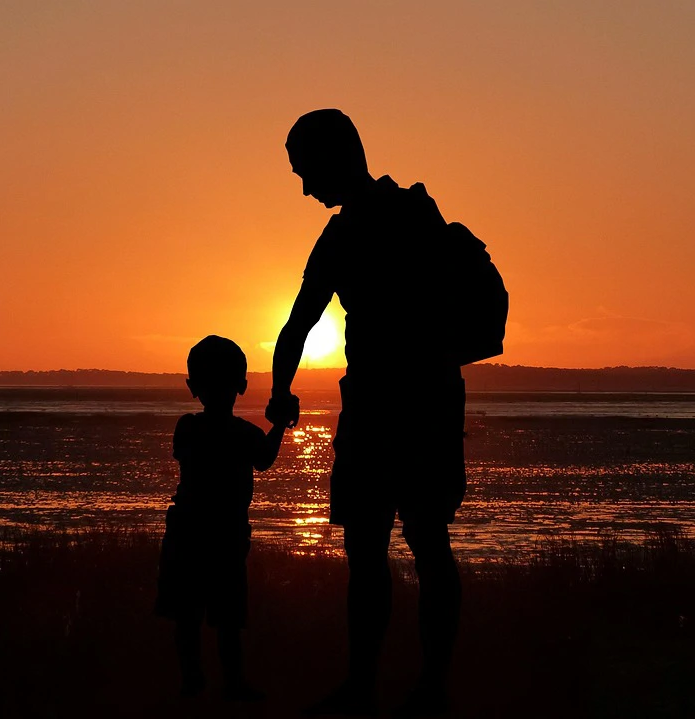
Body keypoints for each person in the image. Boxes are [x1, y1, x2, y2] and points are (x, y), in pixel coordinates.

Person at [268, 109, 466, 715]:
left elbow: (298, 324)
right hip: (431, 399)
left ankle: (369, 687)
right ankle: (422, 686)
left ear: (336, 158)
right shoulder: (418, 213)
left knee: (375, 548)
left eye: (305, 172)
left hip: (384, 409)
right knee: (424, 544)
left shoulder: (347, 233)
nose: (304, 188)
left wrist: (280, 396)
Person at [155, 335, 289, 701]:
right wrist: (279, 426)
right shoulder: (242, 433)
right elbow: (263, 459)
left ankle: (194, 682)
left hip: (189, 533)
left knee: (189, 616)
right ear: (242, 386)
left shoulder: (187, 427)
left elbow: (184, 453)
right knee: (227, 619)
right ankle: (231, 685)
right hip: (225, 536)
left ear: (192, 387)